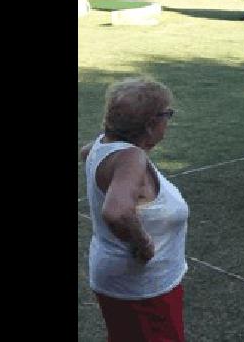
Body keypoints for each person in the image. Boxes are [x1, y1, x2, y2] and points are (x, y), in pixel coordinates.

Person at [82, 78, 190, 342]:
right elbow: (116, 212)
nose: (169, 121)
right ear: (150, 125)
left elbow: (86, 153)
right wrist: (143, 244)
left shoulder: (103, 144)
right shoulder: (131, 157)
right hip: (141, 288)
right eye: (168, 114)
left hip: (118, 280)